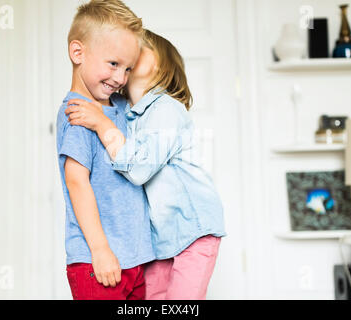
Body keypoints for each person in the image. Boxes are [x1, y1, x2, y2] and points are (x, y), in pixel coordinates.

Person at [65, 29, 226, 300]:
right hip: (159, 239)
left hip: (192, 230)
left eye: (140, 47)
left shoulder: (167, 109)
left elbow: (139, 169)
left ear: (160, 64)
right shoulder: (126, 115)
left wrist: (101, 123)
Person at [55, 0, 155, 300]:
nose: (121, 78)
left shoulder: (123, 107)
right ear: (77, 53)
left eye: (127, 68)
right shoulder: (77, 113)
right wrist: (100, 250)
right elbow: (77, 182)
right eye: (113, 64)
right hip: (98, 261)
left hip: (135, 260)